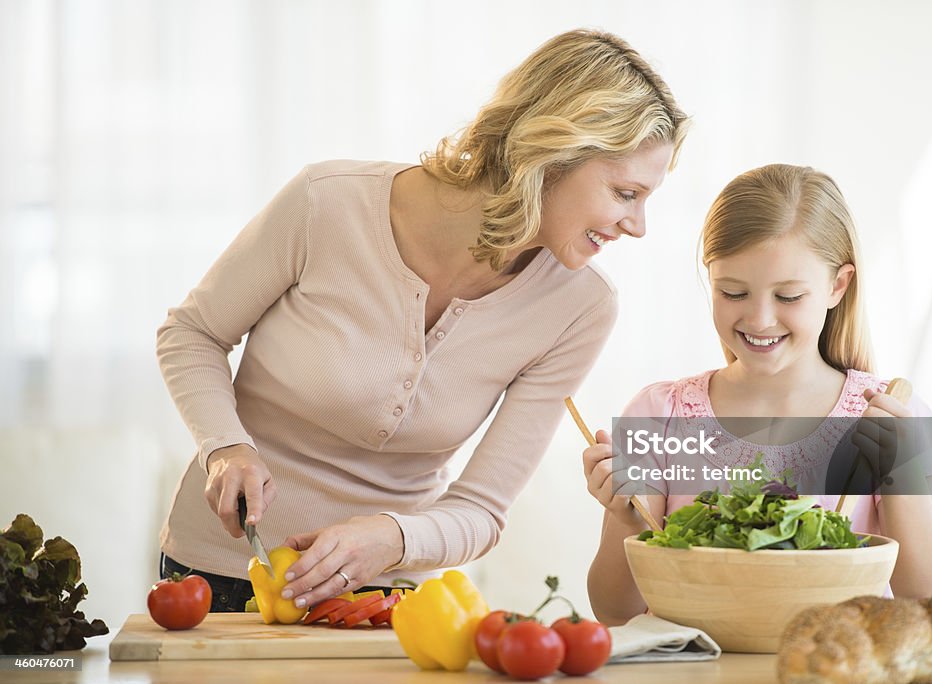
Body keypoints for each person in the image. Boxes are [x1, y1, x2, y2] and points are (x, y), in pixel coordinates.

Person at [156, 29, 690, 612]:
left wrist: (392, 538)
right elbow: (192, 333)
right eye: (624, 193)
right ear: (554, 154)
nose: (637, 225)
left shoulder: (580, 307)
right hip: (216, 573)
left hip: (387, 597)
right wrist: (226, 447)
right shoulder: (328, 203)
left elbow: (483, 510)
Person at [583, 164, 932, 625]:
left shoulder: (886, 416)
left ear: (837, 286)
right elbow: (613, 611)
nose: (760, 320)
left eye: (788, 297)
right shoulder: (660, 415)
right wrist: (627, 520)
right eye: (734, 292)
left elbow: (930, 602)